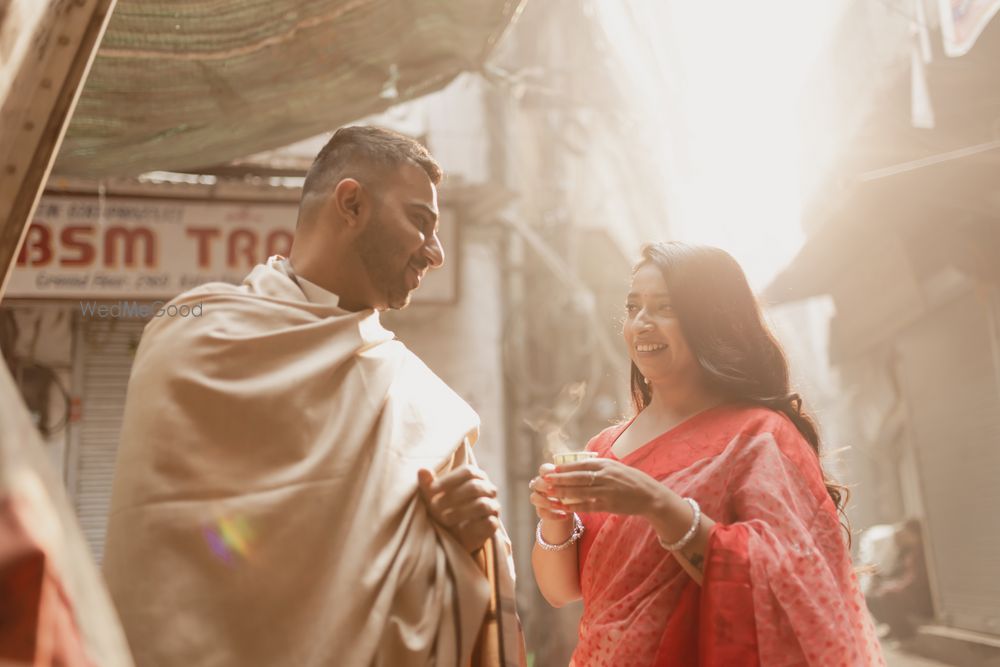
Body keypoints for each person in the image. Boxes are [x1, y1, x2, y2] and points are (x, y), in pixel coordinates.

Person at [102, 126, 524, 667]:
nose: (435, 253)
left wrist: (458, 543)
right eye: (420, 221)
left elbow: (435, 589)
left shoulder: (418, 398)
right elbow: (166, 566)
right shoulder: (194, 336)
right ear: (351, 204)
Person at [528, 242, 884, 666]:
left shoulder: (759, 437)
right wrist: (555, 519)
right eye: (633, 307)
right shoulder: (604, 448)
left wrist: (657, 504)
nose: (641, 323)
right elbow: (561, 591)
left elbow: (794, 589)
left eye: (665, 308)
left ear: (711, 321)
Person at [866, 519, 933, 640]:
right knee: (871, 596)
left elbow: (918, 579)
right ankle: (893, 627)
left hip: (921, 596)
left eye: (906, 534)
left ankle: (904, 635)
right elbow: (897, 572)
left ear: (915, 535)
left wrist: (897, 586)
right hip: (909, 590)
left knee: (888, 595)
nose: (902, 537)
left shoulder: (923, 552)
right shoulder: (906, 551)